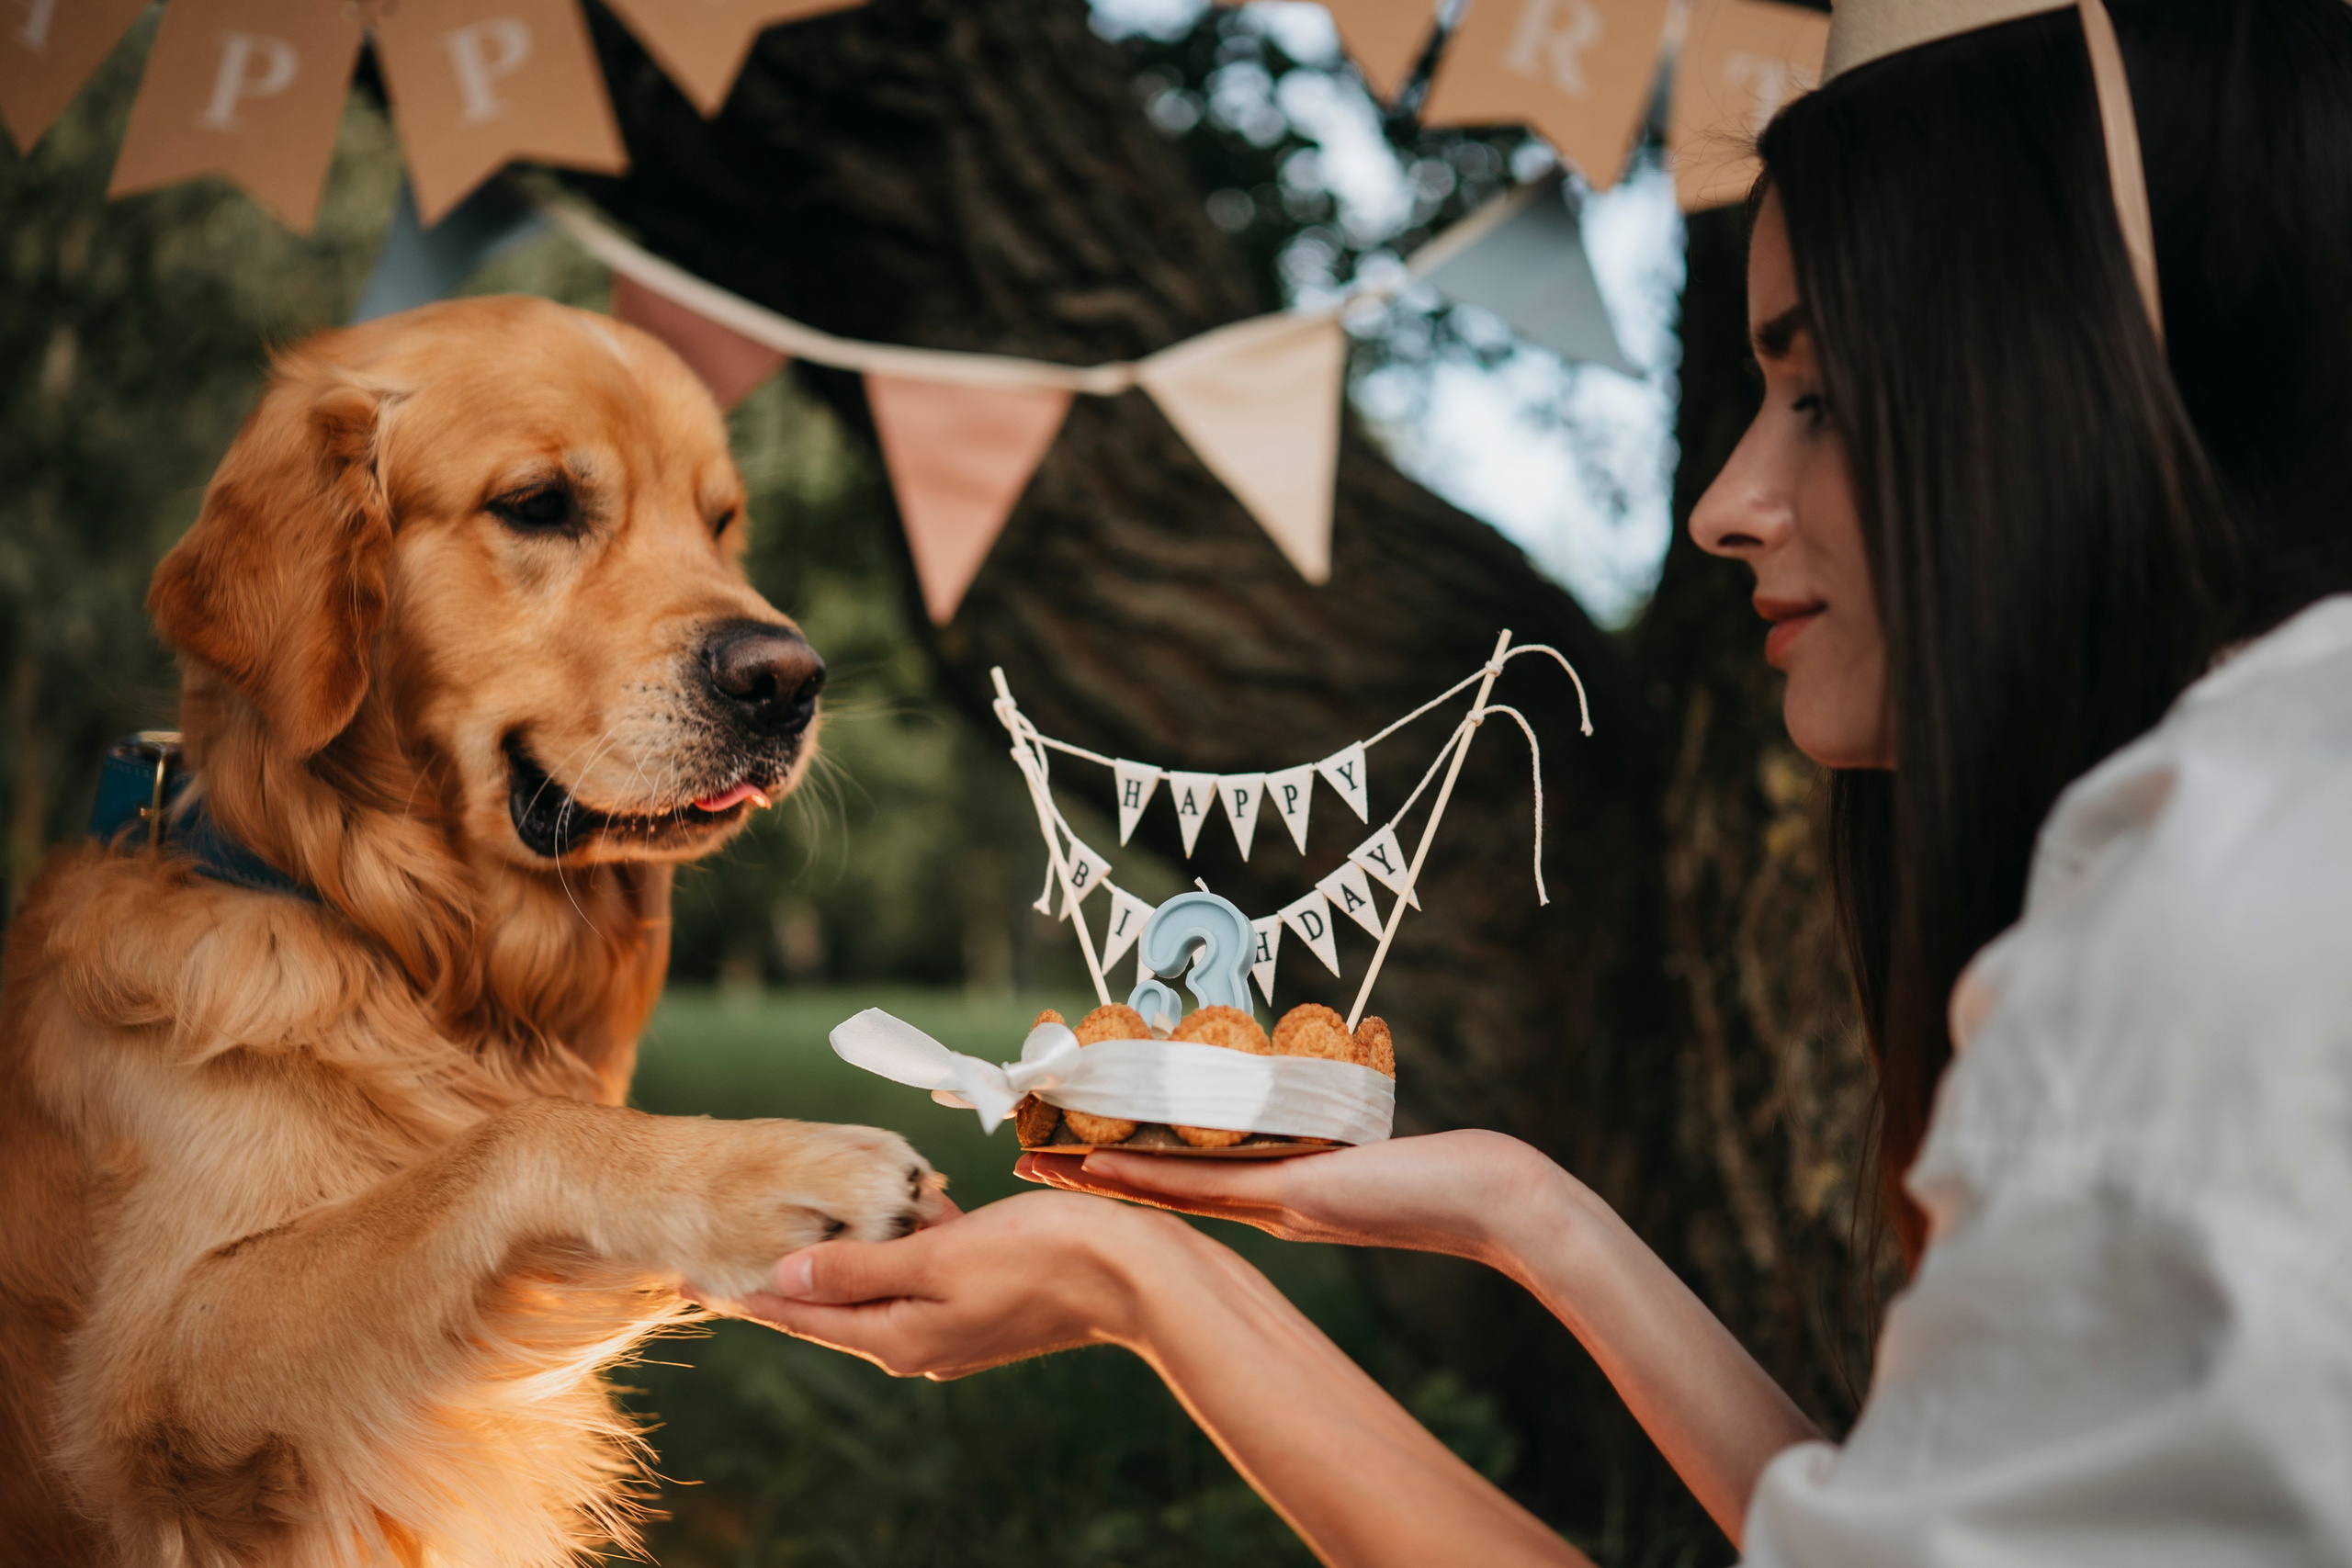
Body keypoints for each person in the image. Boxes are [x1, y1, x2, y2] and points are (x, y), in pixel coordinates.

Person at [729, 2, 2352, 1561]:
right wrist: (1529, 1212)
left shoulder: (2205, 916)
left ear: (2075, 387)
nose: (1727, 502)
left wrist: (1152, 1288)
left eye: (1827, 397)